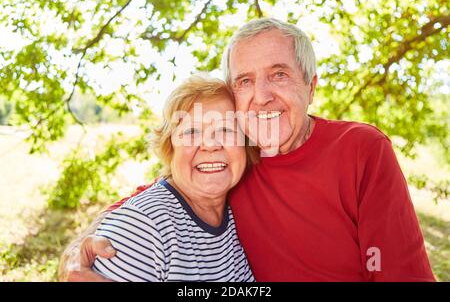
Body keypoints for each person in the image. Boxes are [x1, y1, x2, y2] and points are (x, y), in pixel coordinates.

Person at [59, 18, 435, 282]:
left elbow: (403, 273)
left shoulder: (361, 149)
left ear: (311, 86)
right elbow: (155, 197)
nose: (261, 96)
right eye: (245, 81)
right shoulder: (237, 157)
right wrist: (77, 249)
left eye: (279, 74)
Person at [91, 75, 256, 281]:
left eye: (225, 129)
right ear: (170, 148)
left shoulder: (236, 212)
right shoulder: (142, 229)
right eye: (192, 132)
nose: (211, 144)